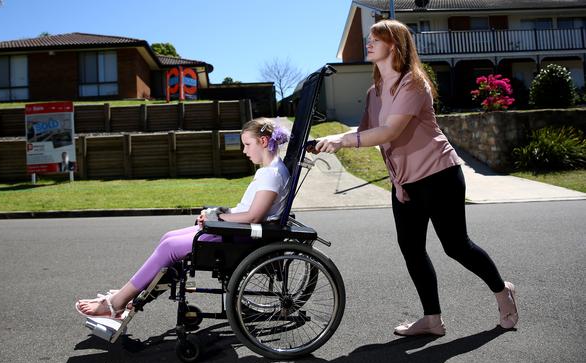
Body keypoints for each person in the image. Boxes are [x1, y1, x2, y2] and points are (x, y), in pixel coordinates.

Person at [314, 19, 518, 336]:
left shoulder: (413, 83)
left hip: (440, 174)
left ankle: (502, 291)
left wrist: (344, 141)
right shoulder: (373, 92)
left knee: (456, 246)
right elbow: (369, 134)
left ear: (393, 45)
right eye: (368, 38)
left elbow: (391, 131)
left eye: (375, 39)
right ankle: (432, 320)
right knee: (411, 248)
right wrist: (329, 142)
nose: (368, 43)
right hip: (406, 183)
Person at [75, 117, 291, 319]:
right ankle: (131, 293)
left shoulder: (270, 174)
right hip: (236, 231)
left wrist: (218, 217)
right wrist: (214, 213)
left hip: (239, 236)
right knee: (168, 237)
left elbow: (254, 215)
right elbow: (248, 210)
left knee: (169, 248)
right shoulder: (272, 171)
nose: (244, 150)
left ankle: (117, 302)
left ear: (263, 141)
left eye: (247, 144)